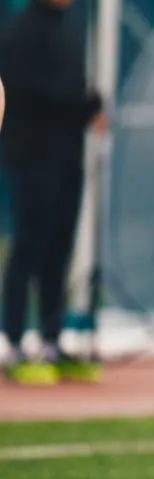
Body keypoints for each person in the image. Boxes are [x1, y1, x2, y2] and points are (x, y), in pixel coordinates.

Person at [0, 0, 103, 385]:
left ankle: (50, 339)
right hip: (31, 156)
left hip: (67, 157)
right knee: (29, 245)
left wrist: (90, 104)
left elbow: (73, 87)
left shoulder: (71, 26)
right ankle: (11, 340)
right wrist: (84, 103)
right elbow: (29, 91)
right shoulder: (20, 29)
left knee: (59, 248)